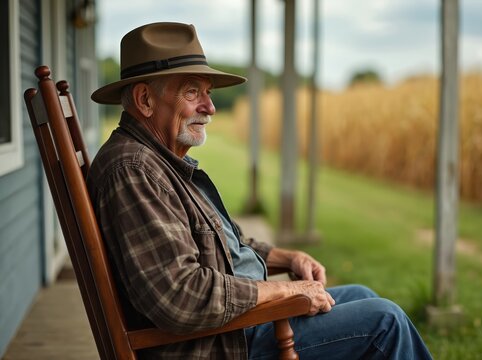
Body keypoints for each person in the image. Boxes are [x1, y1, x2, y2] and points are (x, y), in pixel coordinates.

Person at [88, 22, 433, 360]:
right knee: (385, 323)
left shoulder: (157, 162)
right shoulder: (133, 171)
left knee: (362, 295)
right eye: (193, 92)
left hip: (233, 325)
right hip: (221, 342)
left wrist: (287, 259)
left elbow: (221, 248)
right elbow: (180, 297)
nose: (209, 107)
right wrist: (283, 289)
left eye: (207, 93)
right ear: (145, 99)